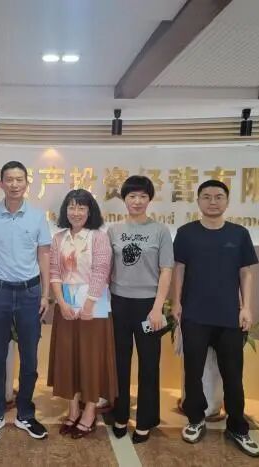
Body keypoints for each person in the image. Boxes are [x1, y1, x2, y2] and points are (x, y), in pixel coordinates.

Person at [172, 180, 259, 457]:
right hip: (194, 315)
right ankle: (195, 419)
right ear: (198, 201)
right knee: (193, 372)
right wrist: (176, 303)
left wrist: (246, 307)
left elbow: (246, 273)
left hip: (229, 316)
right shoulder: (186, 233)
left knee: (233, 375)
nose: (213, 202)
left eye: (219, 196)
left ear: (227, 201)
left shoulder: (239, 234)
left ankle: (237, 427)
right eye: (207, 197)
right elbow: (179, 269)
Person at [0, 161, 52, 442]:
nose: (15, 184)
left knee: (30, 357)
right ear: (1, 184)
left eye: (20, 179)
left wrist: (45, 293)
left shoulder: (38, 216)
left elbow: (44, 255)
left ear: (26, 183)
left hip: (30, 292)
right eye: (9, 179)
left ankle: (25, 414)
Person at [108, 175, 174, 443]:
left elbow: (166, 270)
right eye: (132, 196)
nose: (137, 201)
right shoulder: (113, 230)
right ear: (124, 199)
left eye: (143, 196)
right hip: (118, 303)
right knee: (119, 362)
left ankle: (145, 420)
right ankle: (120, 415)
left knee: (149, 364)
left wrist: (158, 308)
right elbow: (107, 269)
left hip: (149, 306)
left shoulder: (160, 231)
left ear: (150, 199)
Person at [48, 189, 117, 439]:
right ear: (65, 210)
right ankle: (73, 408)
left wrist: (89, 304)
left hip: (93, 307)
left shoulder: (98, 237)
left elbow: (101, 271)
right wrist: (61, 302)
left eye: (81, 208)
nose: (76, 213)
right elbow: (54, 272)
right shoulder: (58, 238)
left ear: (90, 211)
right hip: (66, 306)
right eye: (71, 207)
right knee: (69, 358)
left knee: (91, 358)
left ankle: (89, 411)